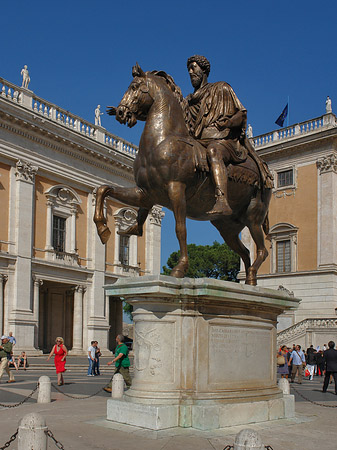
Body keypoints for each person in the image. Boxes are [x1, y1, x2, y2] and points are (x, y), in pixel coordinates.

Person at [185, 55, 273, 217]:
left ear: (204, 70)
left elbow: (241, 113)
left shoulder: (221, 88)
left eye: (194, 67)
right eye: (189, 69)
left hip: (223, 142)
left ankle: (222, 199)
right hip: (198, 142)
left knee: (214, 151)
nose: (190, 72)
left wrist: (229, 122)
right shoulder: (188, 101)